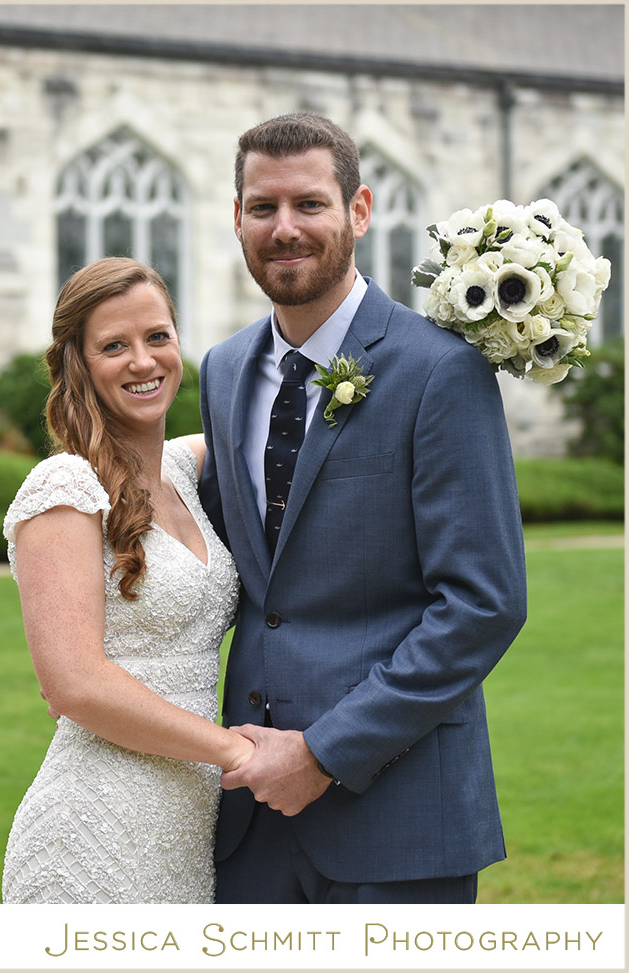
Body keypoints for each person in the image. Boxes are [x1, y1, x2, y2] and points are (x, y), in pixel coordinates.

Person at [198, 112, 527, 904]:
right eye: (262, 207)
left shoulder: (441, 371)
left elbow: (482, 605)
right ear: (236, 216)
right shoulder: (220, 369)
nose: (284, 228)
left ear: (359, 209)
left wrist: (321, 752)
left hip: (399, 817)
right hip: (248, 819)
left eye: (309, 204)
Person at [0, 257, 254, 904]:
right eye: (114, 346)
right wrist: (236, 752)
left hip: (183, 830)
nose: (143, 361)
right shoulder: (64, 486)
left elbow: (275, 427)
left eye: (157, 337)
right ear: (79, 365)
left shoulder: (179, 470)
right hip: (93, 830)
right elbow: (74, 684)